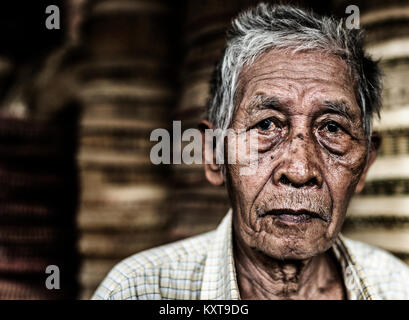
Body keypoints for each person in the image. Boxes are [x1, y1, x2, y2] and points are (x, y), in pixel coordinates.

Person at [93, 3, 409, 300]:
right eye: (267, 124)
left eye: (332, 128)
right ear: (215, 154)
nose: (300, 171)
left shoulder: (397, 286)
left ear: (366, 163)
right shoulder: (139, 289)